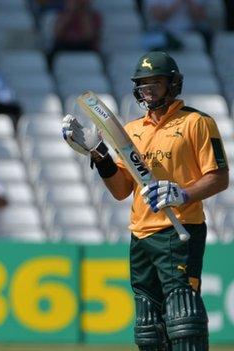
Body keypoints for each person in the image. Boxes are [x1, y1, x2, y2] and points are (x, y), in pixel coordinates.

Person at [62, 51, 229, 350]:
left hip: (180, 230)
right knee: (149, 326)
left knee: (183, 316)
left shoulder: (196, 122)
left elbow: (219, 177)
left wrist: (183, 193)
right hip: (140, 234)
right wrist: (99, 156)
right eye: (143, 84)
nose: (148, 89)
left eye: (155, 82)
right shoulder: (132, 131)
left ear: (173, 84)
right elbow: (121, 189)